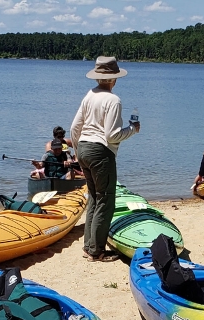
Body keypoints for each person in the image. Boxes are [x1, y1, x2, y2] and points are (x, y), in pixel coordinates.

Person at [70, 56, 138, 262]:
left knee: (94, 198)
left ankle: (89, 246)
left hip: (83, 147)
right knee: (106, 200)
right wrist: (133, 130)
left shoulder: (89, 95)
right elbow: (112, 135)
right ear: (114, 79)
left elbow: (74, 128)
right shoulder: (113, 100)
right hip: (100, 152)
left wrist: (77, 152)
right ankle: (96, 251)